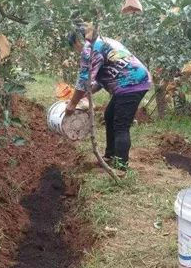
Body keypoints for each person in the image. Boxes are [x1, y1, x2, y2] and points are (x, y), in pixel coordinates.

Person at [65, 24, 152, 169]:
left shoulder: (89, 49)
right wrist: (81, 96)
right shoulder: (105, 41)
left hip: (130, 83)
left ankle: (121, 167)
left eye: (74, 47)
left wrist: (73, 103)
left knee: (121, 125)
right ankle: (110, 156)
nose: (77, 51)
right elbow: (99, 81)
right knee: (109, 115)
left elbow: (84, 80)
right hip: (133, 81)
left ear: (76, 42)